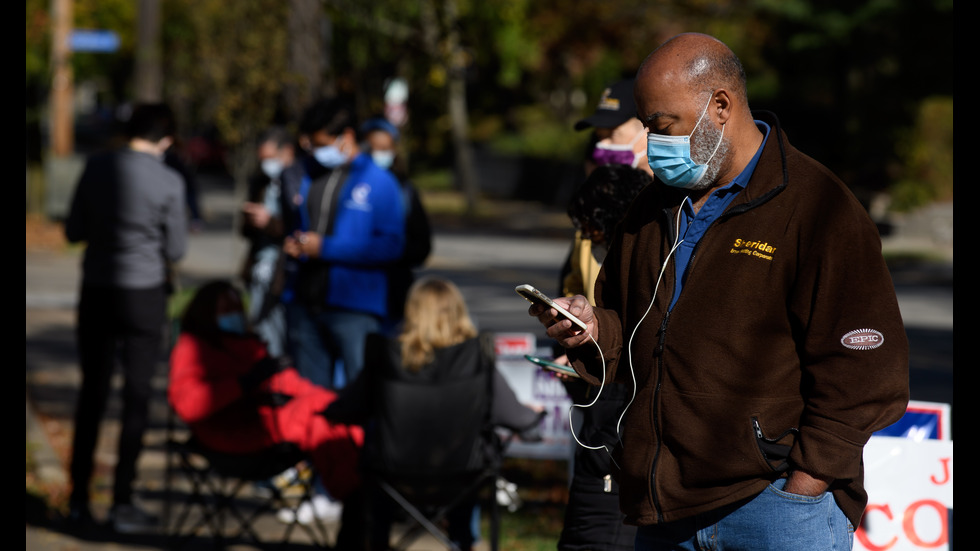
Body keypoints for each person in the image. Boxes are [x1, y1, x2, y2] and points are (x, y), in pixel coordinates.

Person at [528, 32, 910, 550]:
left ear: (721, 106)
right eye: (646, 127)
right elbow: (633, 330)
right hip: (667, 513)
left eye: (662, 126)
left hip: (777, 512)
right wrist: (593, 329)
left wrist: (804, 484)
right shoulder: (649, 210)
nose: (652, 142)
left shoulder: (819, 208)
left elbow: (866, 375)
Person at [325, 276, 546, 551]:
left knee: (368, 476)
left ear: (412, 313)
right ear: (458, 313)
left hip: (391, 476)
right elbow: (519, 419)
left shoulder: (386, 357)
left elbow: (343, 410)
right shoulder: (476, 358)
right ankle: (463, 541)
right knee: (474, 463)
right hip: (460, 478)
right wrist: (534, 414)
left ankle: (374, 541)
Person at [63, 102, 189, 534]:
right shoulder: (170, 181)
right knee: (136, 397)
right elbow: (175, 250)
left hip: (97, 289)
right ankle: (122, 498)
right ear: (166, 140)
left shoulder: (97, 167)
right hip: (144, 293)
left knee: (92, 395)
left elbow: (73, 230)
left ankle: (78, 497)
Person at [167, 280, 366, 546]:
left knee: (330, 413)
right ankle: (358, 503)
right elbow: (187, 405)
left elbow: (288, 384)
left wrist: (336, 400)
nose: (234, 314)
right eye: (226, 309)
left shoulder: (248, 344)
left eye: (237, 308)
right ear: (206, 313)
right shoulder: (193, 346)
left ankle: (359, 503)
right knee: (315, 418)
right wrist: (242, 384)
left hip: (266, 431)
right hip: (227, 438)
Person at [278, 97, 407, 391]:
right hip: (306, 302)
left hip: (354, 308)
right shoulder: (309, 174)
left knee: (359, 396)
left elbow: (391, 246)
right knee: (311, 400)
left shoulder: (379, 181)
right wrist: (297, 244)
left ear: (347, 136)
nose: (316, 151)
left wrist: (326, 248)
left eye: (322, 144)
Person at [555, 164, 651, 551]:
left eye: (590, 229)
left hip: (618, 432)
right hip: (607, 424)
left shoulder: (645, 261)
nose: (586, 239)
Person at [360, 116, 433, 334]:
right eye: (375, 148)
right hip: (355, 293)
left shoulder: (405, 190)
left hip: (394, 292)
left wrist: (390, 251)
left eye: (386, 148)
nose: (381, 154)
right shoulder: (348, 185)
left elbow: (422, 244)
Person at [239, 126, 294, 357]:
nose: (266, 165)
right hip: (260, 267)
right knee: (261, 332)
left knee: (281, 334)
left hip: (284, 271)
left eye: (270, 159)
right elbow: (245, 233)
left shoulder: (299, 181)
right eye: (262, 160)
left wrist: (270, 223)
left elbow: (298, 229)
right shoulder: (261, 182)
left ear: (287, 153)